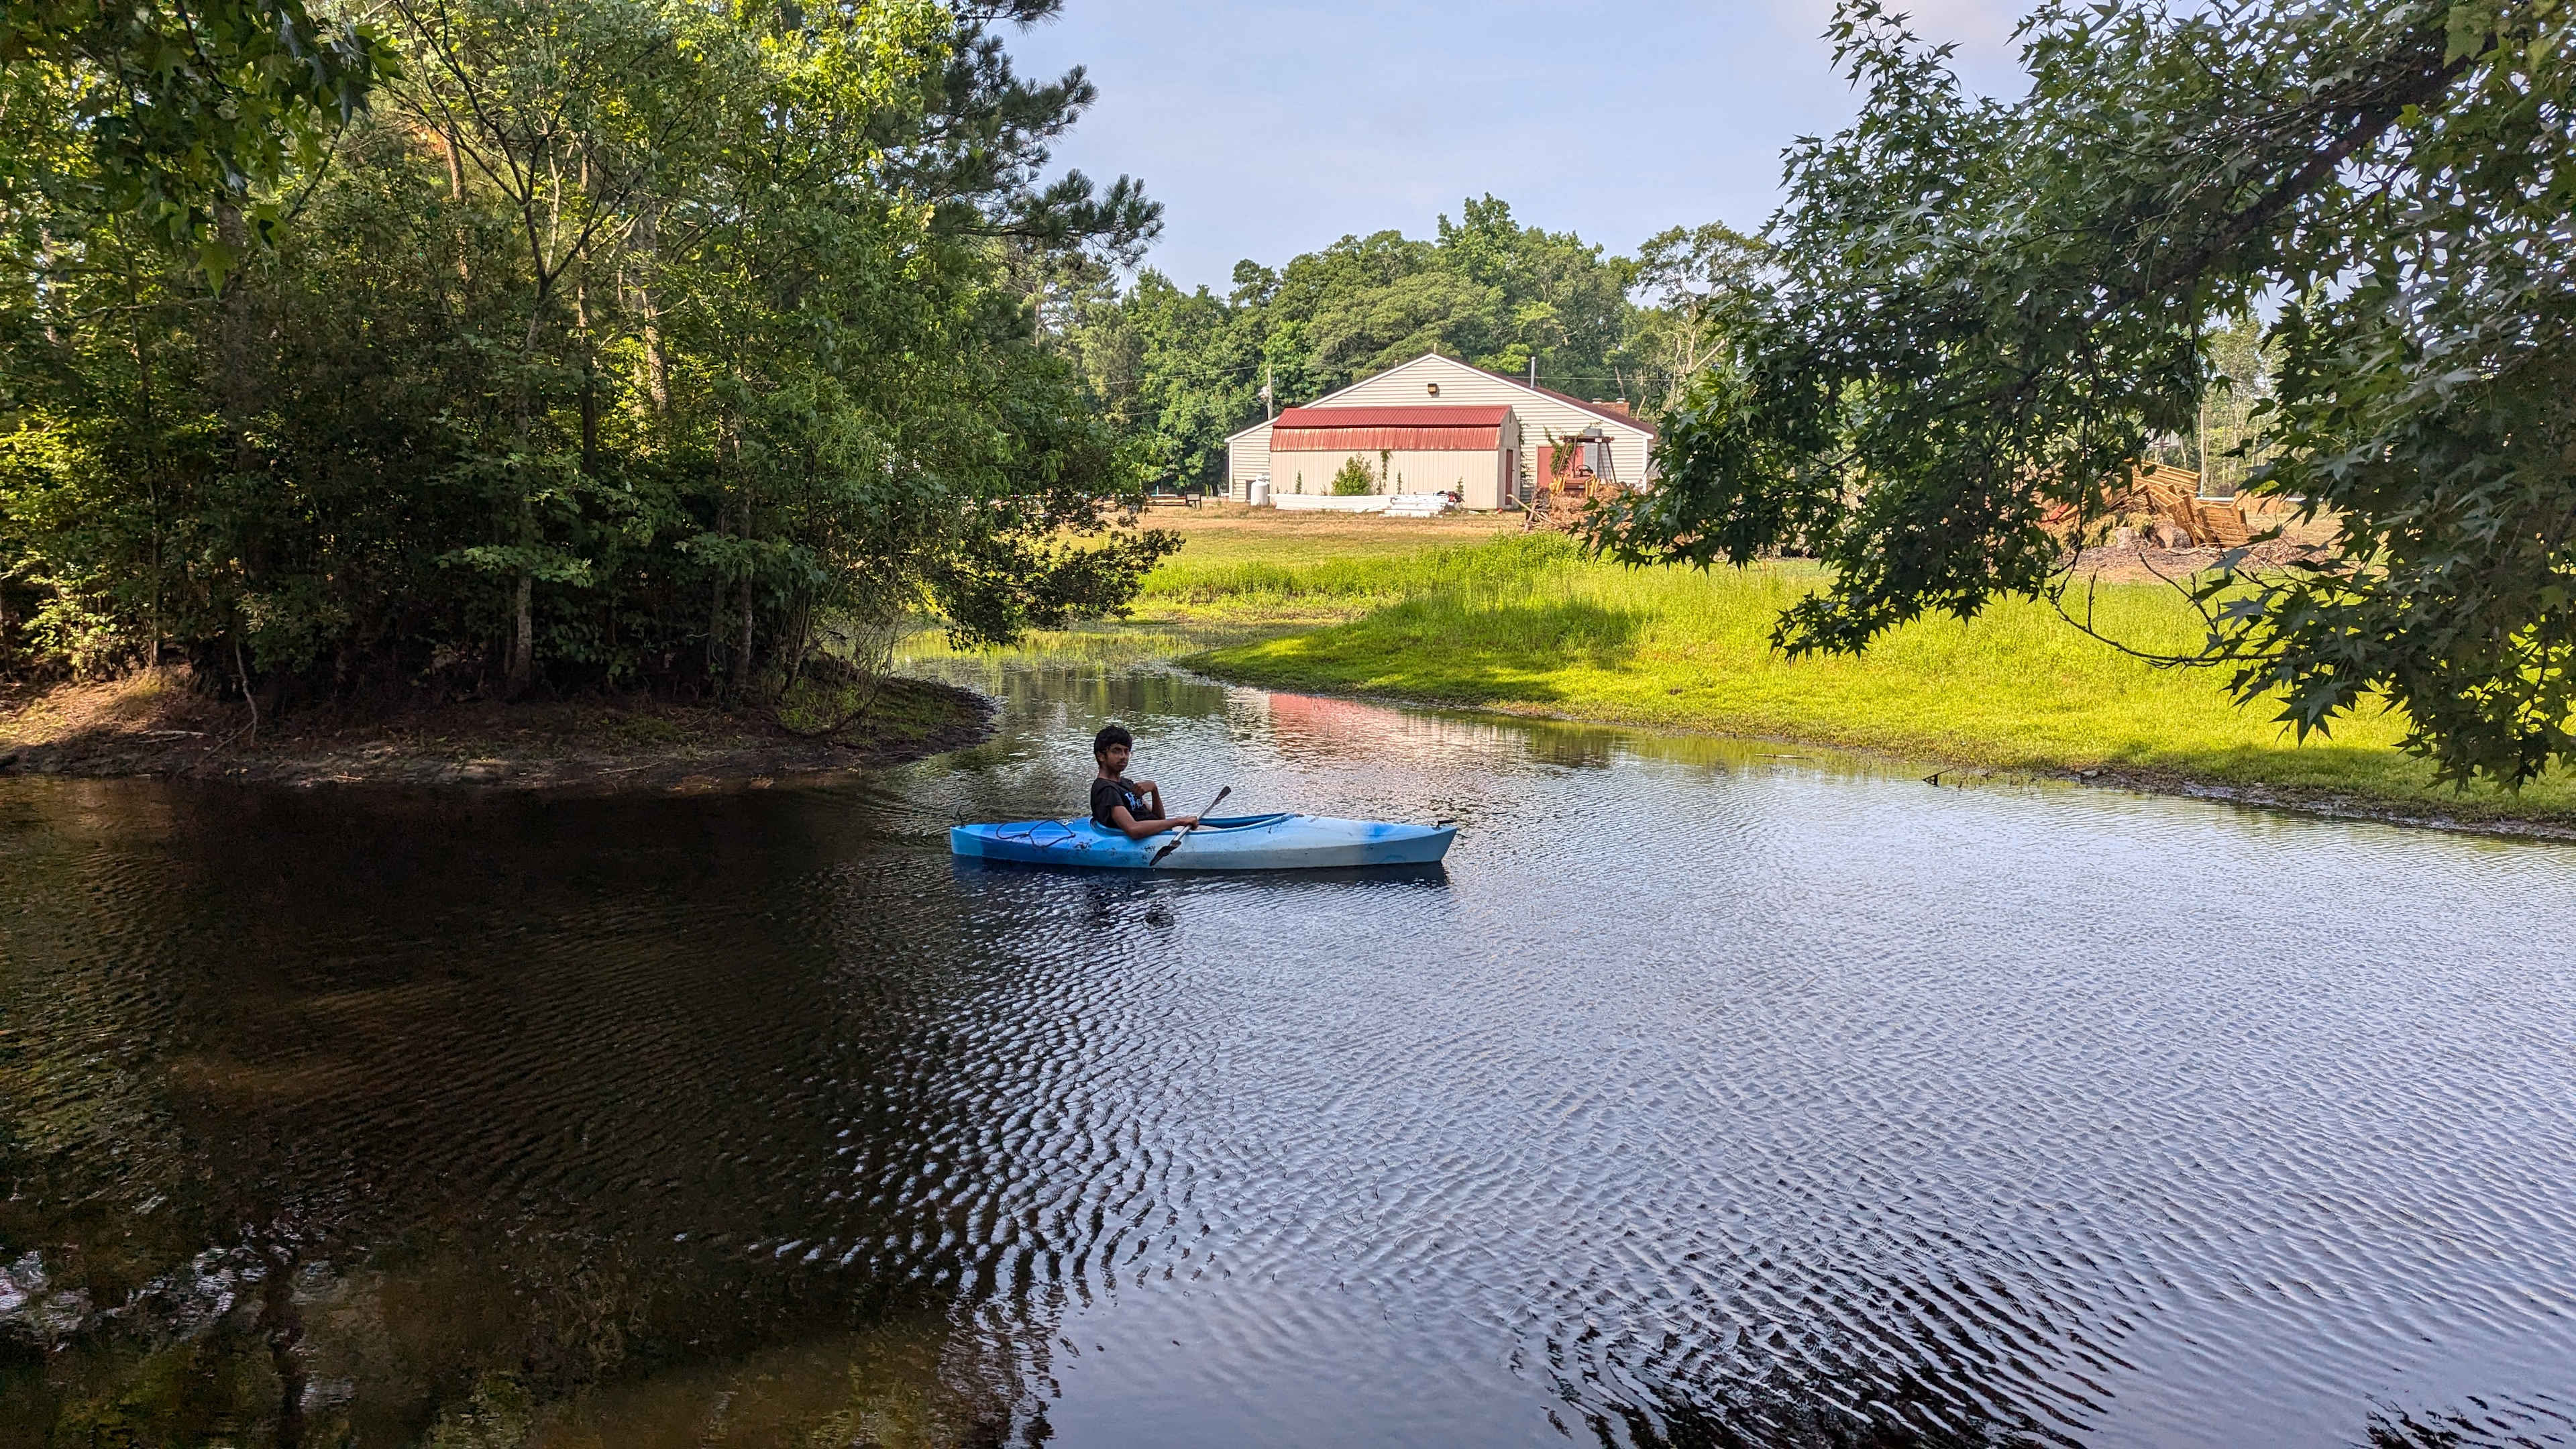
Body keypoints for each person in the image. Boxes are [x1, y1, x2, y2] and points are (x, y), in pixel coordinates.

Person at [1091, 724, 1199, 839]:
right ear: (1101, 756)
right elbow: (1133, 829)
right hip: (1146, 841)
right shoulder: (1106, 790)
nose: (1123, 756)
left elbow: (1159, 820)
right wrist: (1178, 821)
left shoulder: (1127, 783)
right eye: (1117, 751)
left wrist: (1154, 790)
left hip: (1159, 836)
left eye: (1126, 751)